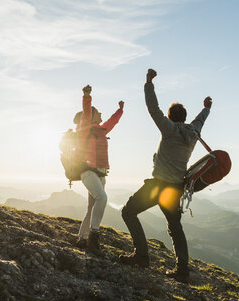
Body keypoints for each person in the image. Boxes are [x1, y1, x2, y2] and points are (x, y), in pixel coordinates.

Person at [120, 69, 212, 283]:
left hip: (158, 185)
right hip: (175, 188)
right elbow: (200, 120)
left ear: (170, 117)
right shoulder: (194, 133)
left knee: (128, 212)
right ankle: (182, 269)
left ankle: (141, 256)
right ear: (185, 117)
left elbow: (153, 108)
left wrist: (148, 82)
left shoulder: (168, 129)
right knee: (174, 227)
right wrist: (206, 108)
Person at [75, 84, 124, 255]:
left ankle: (81, 239)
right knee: (102, 198)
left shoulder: (102, 129)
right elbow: (87, 111)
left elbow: (113, 121)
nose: (101, 114)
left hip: (101, 173)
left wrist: (120, 110)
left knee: (92, 207)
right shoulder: (84, 127)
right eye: (99, 112)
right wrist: (87, 95)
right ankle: (94, 237)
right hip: (88, 172)